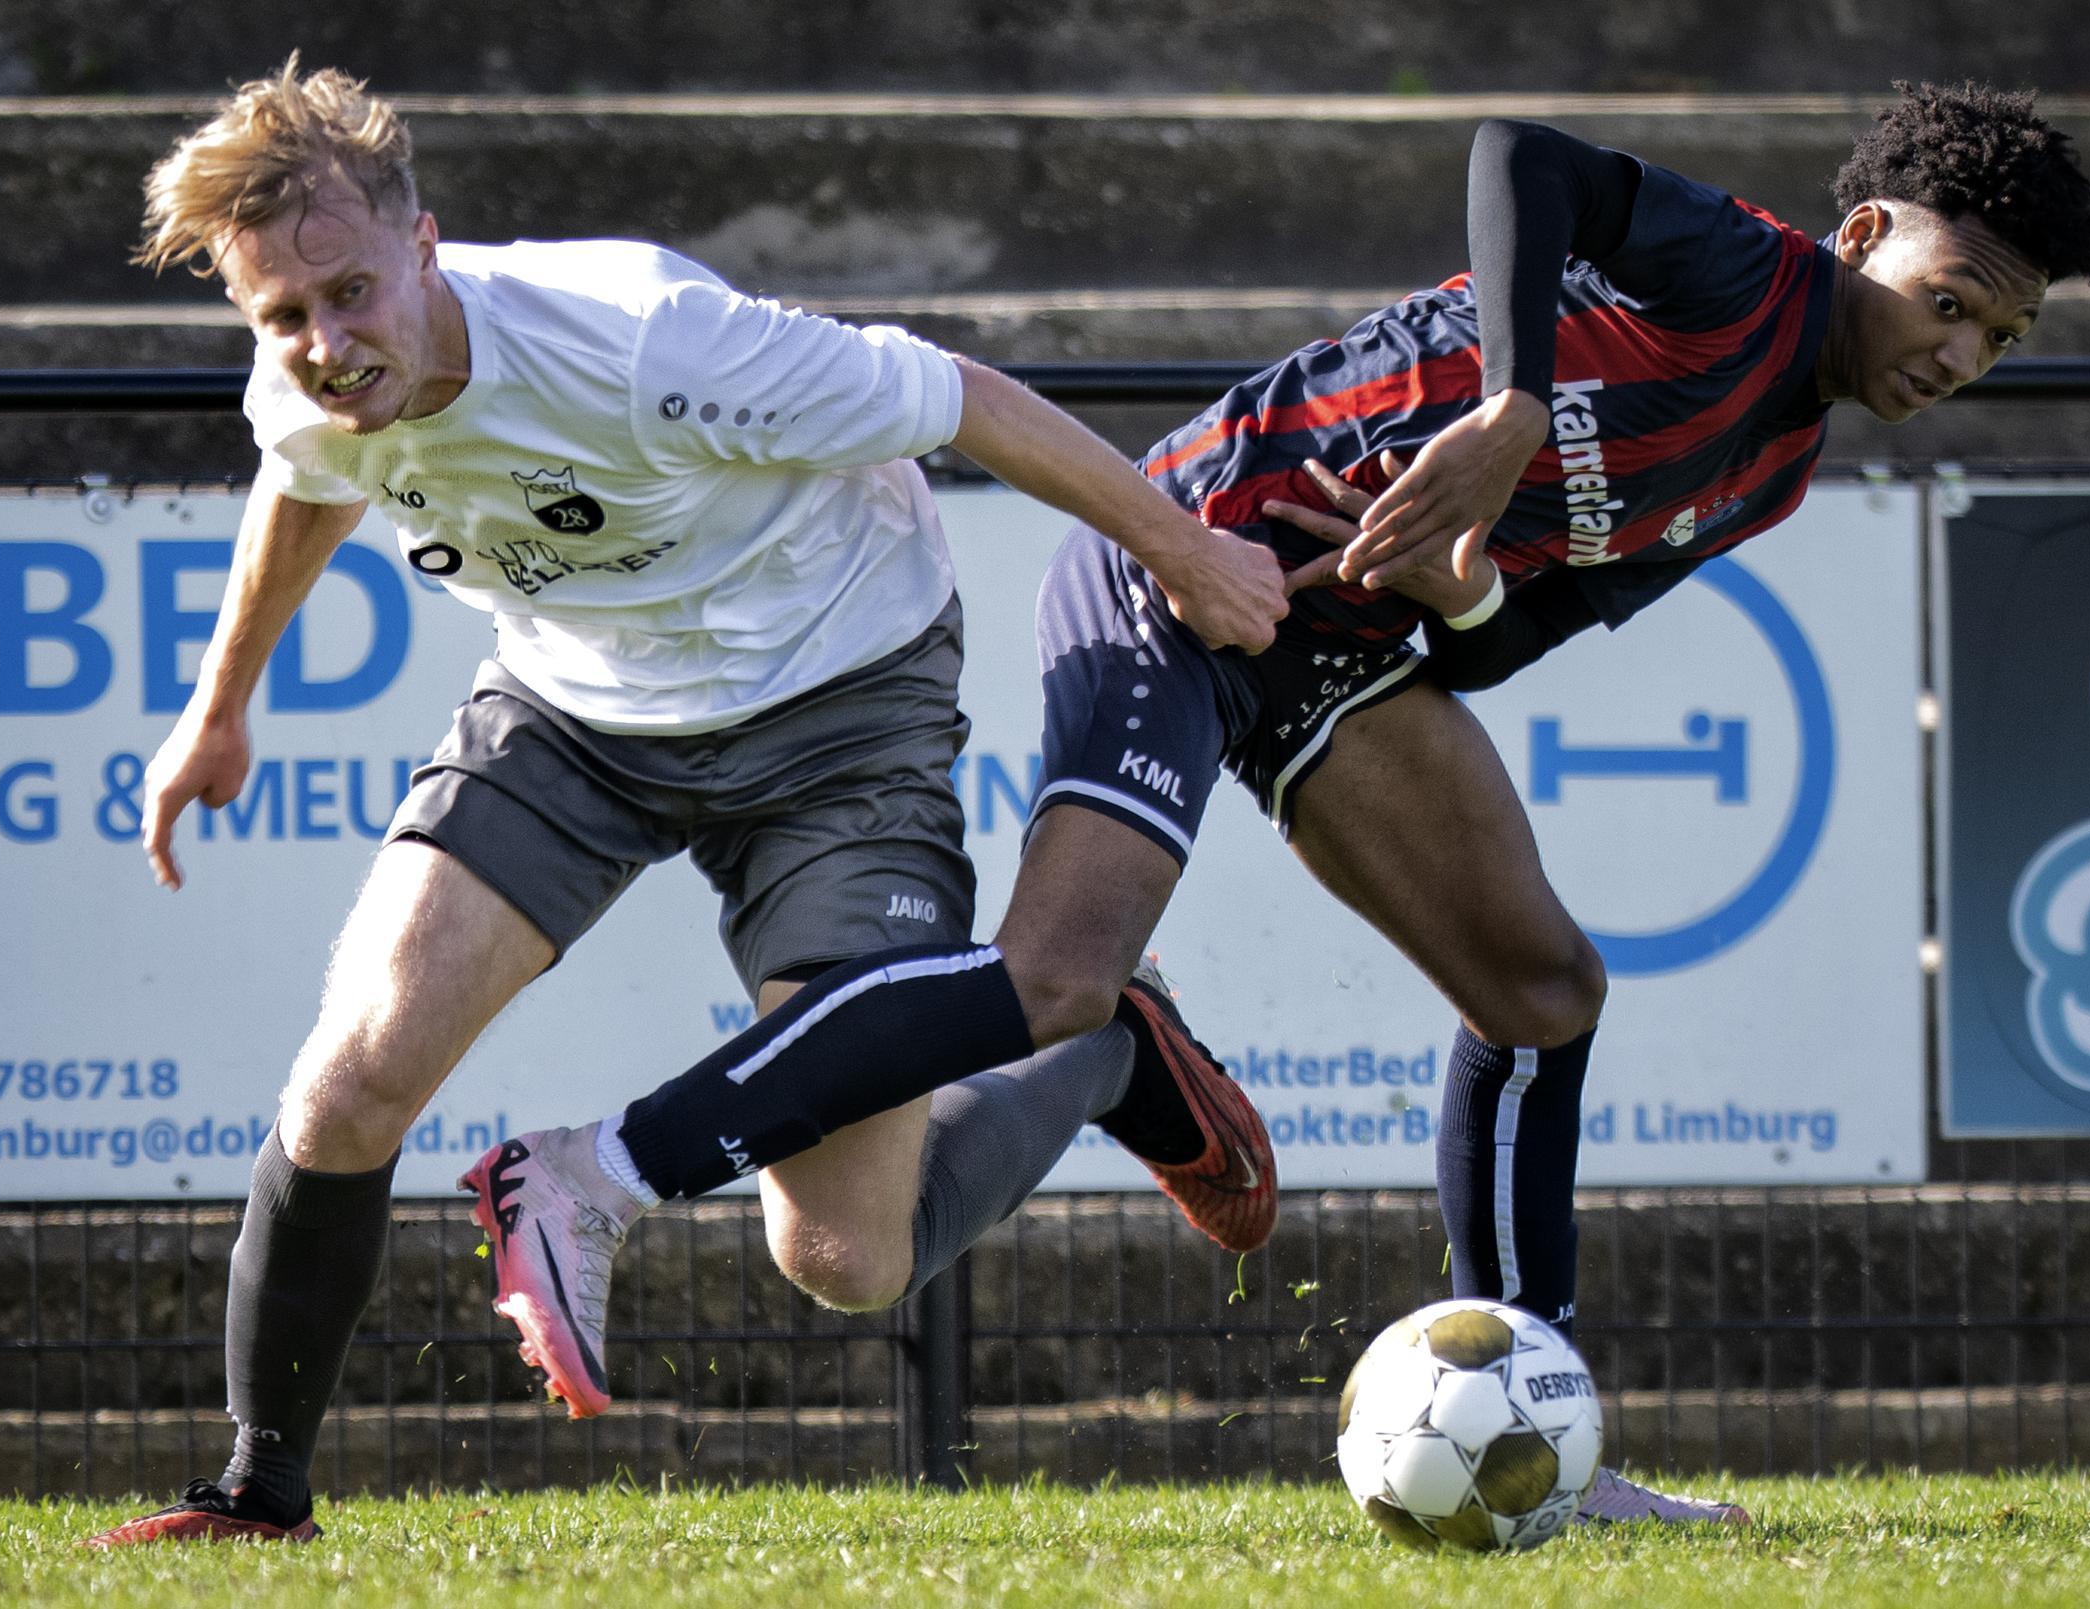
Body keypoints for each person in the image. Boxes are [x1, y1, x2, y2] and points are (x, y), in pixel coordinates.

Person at [464, 80, 2090, 1529]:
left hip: (1340, 648)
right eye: (1952, 299)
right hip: (1180, 563)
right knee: (1054, 971)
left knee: (1541, 994)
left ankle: (1543, 1415)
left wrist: (1460, 588)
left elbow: (1514, 631)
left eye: (2000, 338)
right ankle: (597, 1169)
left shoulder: (1769, 467)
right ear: (1870, 231)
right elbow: (1516, 154)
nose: (1959, 353)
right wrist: (1511, 406)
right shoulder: (1740, 268)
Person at [80, 56, 1293, 1547]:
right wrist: (218, 705)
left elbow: (958, 395)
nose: (324, 345)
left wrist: (1181, 550)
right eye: (284, 315)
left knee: (846, 1253)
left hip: (838, 706)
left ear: (425, 243)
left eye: (348, 293)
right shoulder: (303, 381)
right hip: (574, 713)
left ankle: (1102, 1038)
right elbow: (310, 470)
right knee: (346, 1083)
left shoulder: (648, 339)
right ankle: (257, 1492)